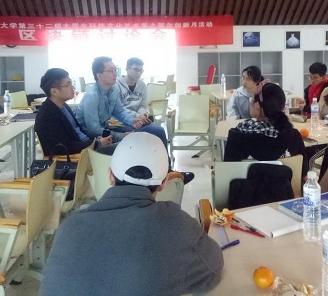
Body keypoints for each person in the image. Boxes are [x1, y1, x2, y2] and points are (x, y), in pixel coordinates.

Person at [41, 133, 224, 295]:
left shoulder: (69, 227)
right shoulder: (176, 223)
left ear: (110, 176)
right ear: (164, 182)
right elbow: (213, 268)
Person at [76, 56, 167, 146]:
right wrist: (120, 136)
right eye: (110, 71)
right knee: (135, 139)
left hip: (105, 127)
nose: (115, 74)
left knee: (157, 130)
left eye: (115, 70)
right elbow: (94, 130)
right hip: (90, 139)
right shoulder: (92, 96)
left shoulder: (113, 89)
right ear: (99, 75)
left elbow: (119, 111)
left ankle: (161, 156)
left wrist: (132, 121)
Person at [34, 68, 115, 156]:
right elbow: (63, 148)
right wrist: (97, 143)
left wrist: (96, 140)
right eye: (68, 84)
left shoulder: (63, 106)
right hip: (79, 156)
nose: (72, 87)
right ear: (54, 91)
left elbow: (78, 133)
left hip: (86, 147)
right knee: (122, 149)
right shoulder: (47, 115)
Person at [224, 81, 305, 161]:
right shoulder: (293, 136)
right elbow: (303, 169)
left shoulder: (239, 133)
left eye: (252, 99)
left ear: (258, 105)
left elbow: (227, 167)